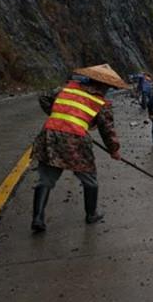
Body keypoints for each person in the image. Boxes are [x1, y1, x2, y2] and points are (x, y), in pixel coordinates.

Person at [31, 64, 124, 232]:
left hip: (50, 134)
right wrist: (114, 150)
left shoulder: (67, 88)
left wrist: (60, 115)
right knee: (90, 179)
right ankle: (91, 214)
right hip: (75, 140)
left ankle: (38, 218)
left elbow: (43, 97)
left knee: (46, 179)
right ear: (103, 85)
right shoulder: (101, 102)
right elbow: (107, 130)